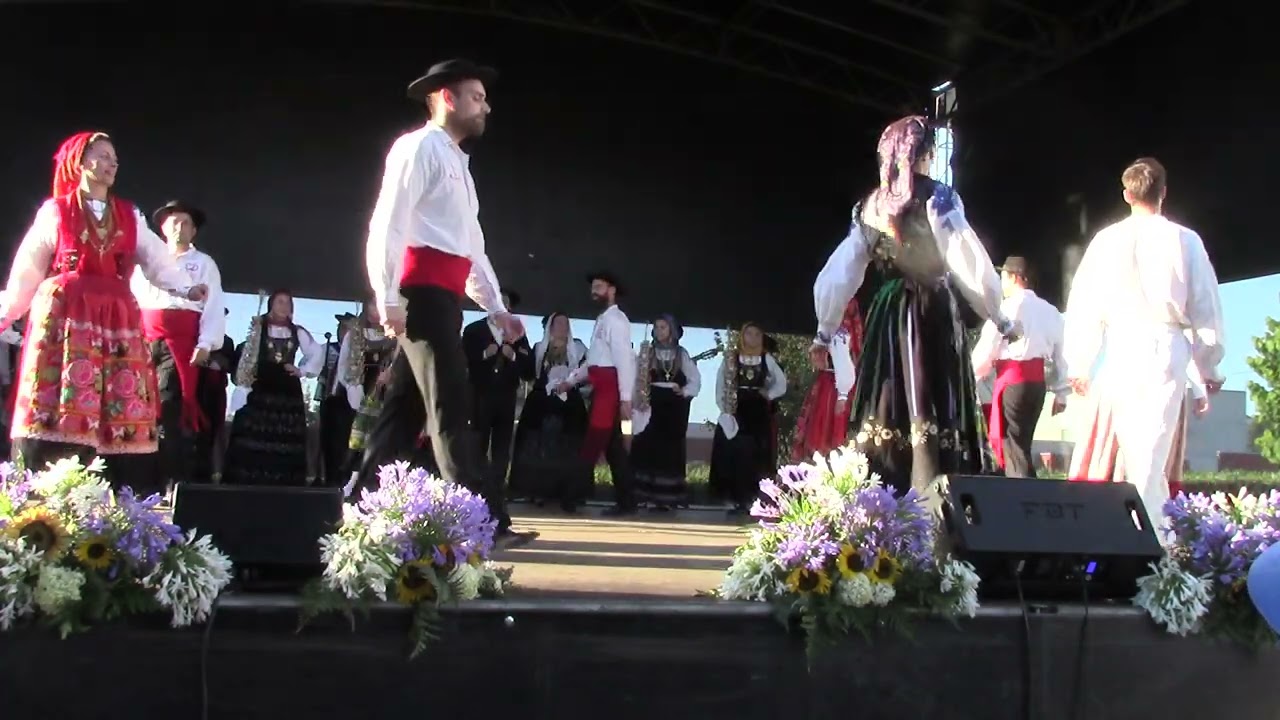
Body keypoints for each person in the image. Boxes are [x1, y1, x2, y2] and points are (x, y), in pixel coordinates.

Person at [359, 58, 525, 541]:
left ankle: (360, 504)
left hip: (445, 296)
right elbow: (388, 223)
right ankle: (482, 519)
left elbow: (471, 247)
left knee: (405, 409)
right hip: (421, 293)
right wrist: (387, 294)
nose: (486, 107)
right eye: (477, 97)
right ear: (447, 98)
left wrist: (496, 309)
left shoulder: (458, 165)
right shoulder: (417, 148)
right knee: (452, 402)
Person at [809, 116, 1018, 494]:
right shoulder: (940, 197)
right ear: (921, 154)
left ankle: (886, 499)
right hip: (930, 309)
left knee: (889, 398)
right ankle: (935, 495)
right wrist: (999, 315)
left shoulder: (869, 206)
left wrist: (824, 330)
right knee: (933, 396)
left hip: (889, 313)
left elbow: (841, 272)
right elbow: (965, 259)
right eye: (931, 151)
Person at [0, 132, 206, 491]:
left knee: (119, 401)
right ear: (80, 162)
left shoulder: (129, 215)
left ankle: (119, 490)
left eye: (114, 158)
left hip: (116, 318)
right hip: (66, 314)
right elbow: (28, 269)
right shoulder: (56, 211)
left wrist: (185, 287)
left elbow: (156, 259)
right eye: (102, 155)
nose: (112, 164)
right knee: (61, 395)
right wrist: (7, 312)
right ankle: (49, 483)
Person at [1063, 157, 1224, 528]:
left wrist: (1081, 362)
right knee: (1150, 457)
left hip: (1121, 346)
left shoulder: (1106, 241)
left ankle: (1115, 535)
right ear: (1163, 193)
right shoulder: (1185, 240)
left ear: (1126, 194)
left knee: (1123, 452)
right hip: (1164, 347)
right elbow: (1205, 306)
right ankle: (1151, 545)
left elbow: (1084, 303)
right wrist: (1208, 365)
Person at [130, 200, 226, 492]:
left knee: (170, 406)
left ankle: (173, 481)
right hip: (144, 341)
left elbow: (213, 304)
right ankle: (140, 480)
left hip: (180, 343)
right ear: (162, 228)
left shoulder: (204, 264)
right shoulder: (145, 262)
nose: (179, 227)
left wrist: (207, 342)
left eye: (186, 223)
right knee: (139, 406)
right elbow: (132, 300)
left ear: (194, 230)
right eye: (174, 222)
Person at [970, 256, 1067, 478]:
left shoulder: (1008, 307)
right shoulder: (1050, 311)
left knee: (1013, 446)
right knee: (1021, 443)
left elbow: (988, 348)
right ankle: (1024, 491)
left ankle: (1022, 495)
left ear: (1014, 277)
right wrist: (1061, 393)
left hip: (1014, 382)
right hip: (1036, 384)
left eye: (1003, 277)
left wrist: (971, 376)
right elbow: (1061, 355)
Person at [556, 272, 637, 516]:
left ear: (611, 290)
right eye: (593, 287)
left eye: (599, 287)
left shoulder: (617, 321)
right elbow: (594, 361)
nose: (594, 291)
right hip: (602, 388)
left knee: (592, 443)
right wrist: (571, 381)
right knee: (613, 449)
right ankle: (627, 501)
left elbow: (625, 360)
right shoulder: (603, 320)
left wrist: (625, 398)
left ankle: (571, 498)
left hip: (609, 392)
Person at [223, 290, 324, 485]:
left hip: (286, 385)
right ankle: (250, 479)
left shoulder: (297, 331)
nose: (284, 306)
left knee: (285, 433)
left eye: (288, 303)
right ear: (271, 304)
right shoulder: (259, 327)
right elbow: (248, 353)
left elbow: (316, 352)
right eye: (280, 302)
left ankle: (283, 480)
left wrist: (301, 370)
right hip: (261, 383)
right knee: (256, 430)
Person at [508, 312, 592, 511]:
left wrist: (571, 383)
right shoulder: (540, 347)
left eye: (565, 323)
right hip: (541, 401)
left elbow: (588, 373)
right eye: (557, 323)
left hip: (569, 402)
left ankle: (569, 493)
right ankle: (538, 491)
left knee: (570, 446)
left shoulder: (578, 348)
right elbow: (530, 374)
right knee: (539, 446)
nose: (562, 327)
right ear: (550, 327)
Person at [463, 288, 535, 499]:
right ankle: (476, 489)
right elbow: (462, 361)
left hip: (506, 398)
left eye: (506, 305)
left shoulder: (519, 335)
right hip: (480, 396)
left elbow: (529, 370)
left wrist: (513, 356)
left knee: (502, 447)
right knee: (478, 442)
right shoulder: (474, 330)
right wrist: (485, 354)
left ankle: (496, 490)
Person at [709, 322, 787, 515]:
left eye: (757, 334)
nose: (752, 338)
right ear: (742, 336)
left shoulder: (765, 358)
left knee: (754, 455)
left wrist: (768, 394)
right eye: (749, 334)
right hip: (735, 408)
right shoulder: (731, 358)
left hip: (757, 411)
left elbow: (782, 383)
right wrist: (725, 407)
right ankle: (733, 499)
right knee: (732, 453)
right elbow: (720, 384)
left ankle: (751, 499)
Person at [630, 314, 701, 509]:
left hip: (673, 406)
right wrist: (637, 401)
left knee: (669, 450)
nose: (659, 331)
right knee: (647, 446)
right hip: (651, 403)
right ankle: (645, 495)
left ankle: (667, 499)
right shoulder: (647, 353)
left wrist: (684, 390)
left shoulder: (681, 354)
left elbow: (695, 379)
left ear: (672, 330)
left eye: (663, 327)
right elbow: (636, 377)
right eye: (656, 327)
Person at [793, 297, 862, 462]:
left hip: (841, 385)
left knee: (837, 429)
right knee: (822, 429)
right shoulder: (828, 329)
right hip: (829, 383)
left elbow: (848, 355)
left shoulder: (847, 331)